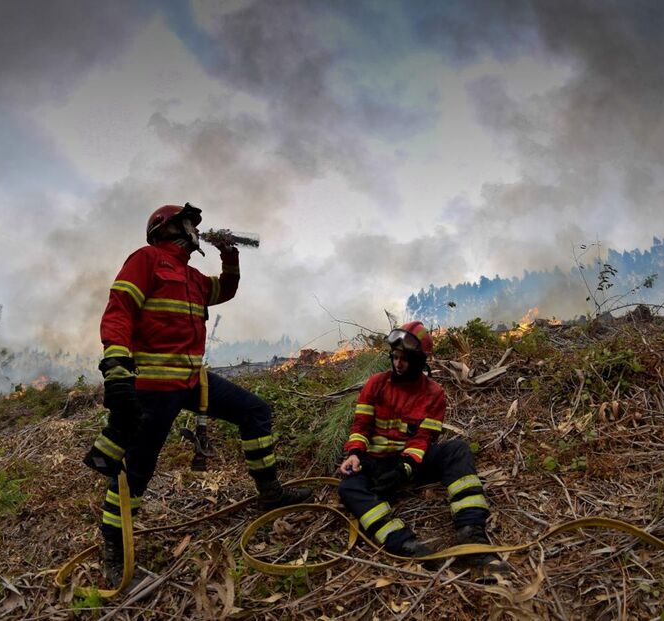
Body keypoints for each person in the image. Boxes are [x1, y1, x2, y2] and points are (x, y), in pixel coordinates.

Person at [83, 203, 311, 584]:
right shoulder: (146, 260)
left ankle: (270, 492)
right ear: (169, 228)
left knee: (255, 411)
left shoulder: (191, 277)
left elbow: (226, 290)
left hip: (192, 382)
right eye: (191, 223)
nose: (196, 229)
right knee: (136, 471)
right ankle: (113, 547)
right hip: (153, 389)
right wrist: (117, 370)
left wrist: (230, 255)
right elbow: (119, 311)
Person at [338, 321, 504, 572]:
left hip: (410, 463)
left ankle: (471, 532)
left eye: (405, 358)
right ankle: (405, 544)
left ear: (420, 360)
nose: (398, 363)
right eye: (394, 357)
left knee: (457, 449)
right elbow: (361, 426)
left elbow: (423, 439)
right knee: (349, 487)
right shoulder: (375, 384)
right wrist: (354, 455)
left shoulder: (433, 393)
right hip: (375, 463)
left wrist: (404, 469)